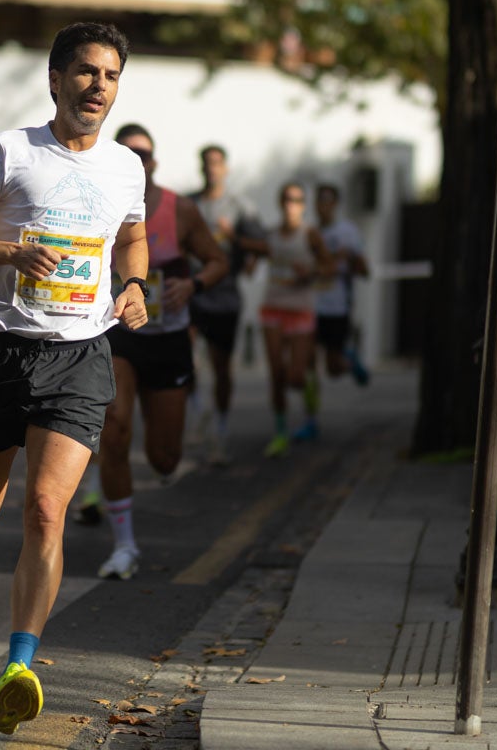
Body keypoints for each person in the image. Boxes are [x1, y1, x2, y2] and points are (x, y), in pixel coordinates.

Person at [0, 22, 148, 736]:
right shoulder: (9, 152)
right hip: (2, 351)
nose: (97, 86)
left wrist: (135, 282)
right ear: (55, 80)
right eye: (84, 72)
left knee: (46, 511)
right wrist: (5, 252)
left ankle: (18, 667)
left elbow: (133, 230)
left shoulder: (124, 167)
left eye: (109, 75)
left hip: (80, 356)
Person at [95, 123, 227, 580]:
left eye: (145, 153)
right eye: (129, 151)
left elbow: (217, 260)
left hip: (168, 338)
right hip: (118, 333)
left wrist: (193, 284)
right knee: (114, 425)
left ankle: (164, 439)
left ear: (154, 162)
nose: (138, 159)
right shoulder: (98, 198)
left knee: (164, 459)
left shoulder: (181, 209)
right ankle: (124, 545)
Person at [187, 145, 265, 465]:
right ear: (201, 168)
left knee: (221, 368)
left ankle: (219, 427)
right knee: (183, 356)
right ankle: (199, 409)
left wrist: (236, 242)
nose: (212, 170)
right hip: (191, 291)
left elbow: (262, 245)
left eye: (217, 164)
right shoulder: (188, 204)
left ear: (226, 168)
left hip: (225, 294)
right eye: (207, 164)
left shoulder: (240, 207)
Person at [247, 182, 333, 458]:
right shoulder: (271, 235)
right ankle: (281, 432)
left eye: (296, 200)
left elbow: (328, 266)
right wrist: (248, 258)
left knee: (295, 376)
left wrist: (309, 273)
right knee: (276, 374)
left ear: (303, 205)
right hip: (273, 307)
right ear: (280, 202)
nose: (290, 204)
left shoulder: (310, 234)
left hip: (301, 309)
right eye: (286, 199)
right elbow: (255, 255)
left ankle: (308, 392)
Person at [295, 183, 372, 441]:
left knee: (333, 368)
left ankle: (349, 360)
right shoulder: (308, 232)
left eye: (328, 200)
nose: (323, 205)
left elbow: (365, 271)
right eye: (319, 200)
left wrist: (348, 258)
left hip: (337, 306)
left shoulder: (347, 232)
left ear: (336, 204)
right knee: (308, 366)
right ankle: (310, 420)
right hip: (310, 305)